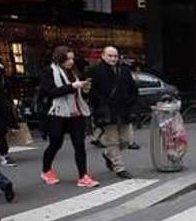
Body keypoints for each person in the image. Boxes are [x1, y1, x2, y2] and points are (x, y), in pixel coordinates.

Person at [39, 46, 99, 188]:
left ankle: (83, 175)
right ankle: (46, 170)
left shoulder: (73, 71)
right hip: (58, 113)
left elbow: (77, 92)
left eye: (72, 58)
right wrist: (73, 86)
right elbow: (51, 92)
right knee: (55, 143)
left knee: (79, 144)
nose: (71, 61)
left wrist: (84, 89)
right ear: (59, 59)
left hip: (75, 112)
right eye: (68, 59)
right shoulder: (49, 71)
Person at [89, 46, 138, 179]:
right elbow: (92, 93)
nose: (113, 58)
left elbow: (133, 89)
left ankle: (107, 154)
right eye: (110, 56)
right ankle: (119, 167)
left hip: (124, 110)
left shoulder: (124, 70)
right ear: (103, 56)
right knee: (113, 141)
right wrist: (100, 106)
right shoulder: (96, 71)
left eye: (115, 56)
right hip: (107, 111)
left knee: (127, 140)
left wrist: (131, 103)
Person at [0, 56, 18, 167]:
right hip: (1, 105)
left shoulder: (0, 73)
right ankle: (4, 156)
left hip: (1, 105)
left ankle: (4, 155)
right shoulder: (0, 73)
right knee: (0, 131)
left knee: (0, 131)